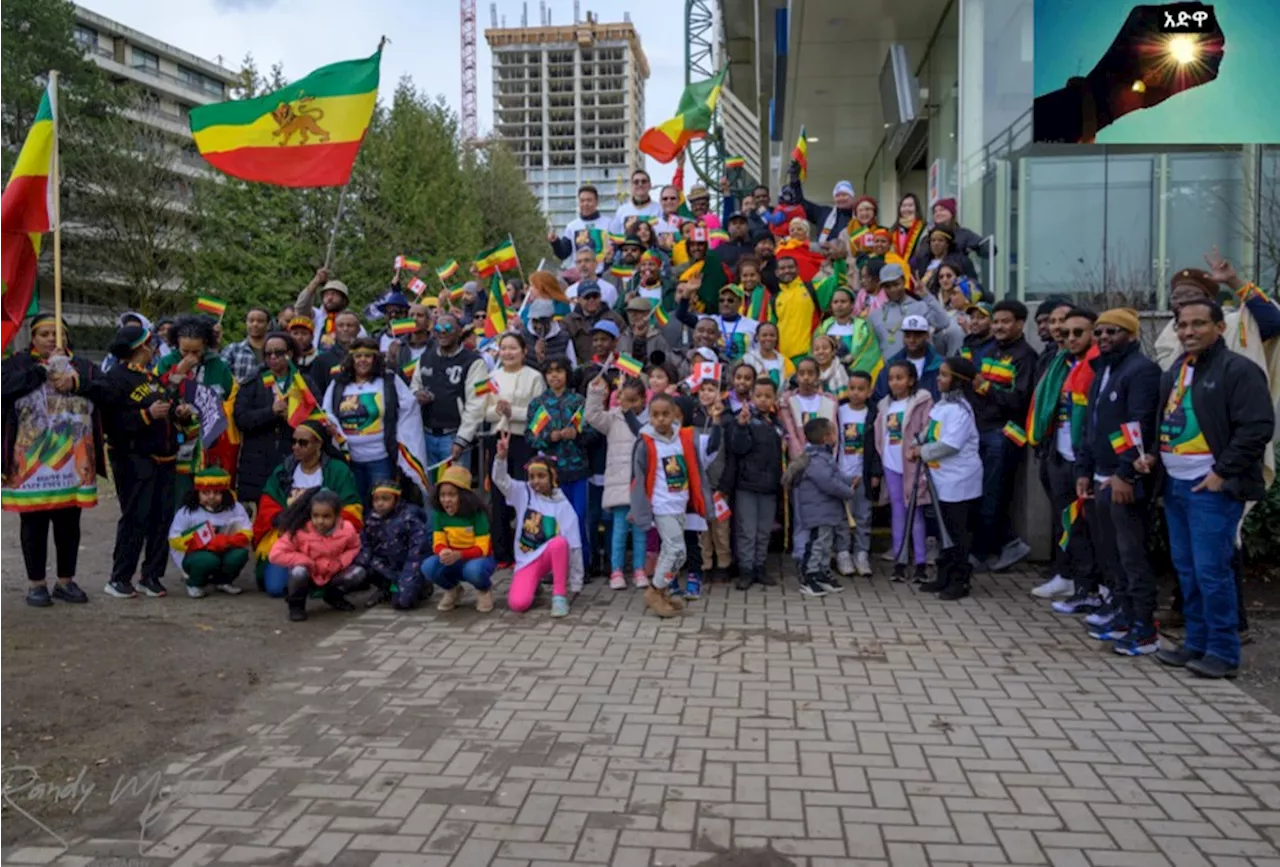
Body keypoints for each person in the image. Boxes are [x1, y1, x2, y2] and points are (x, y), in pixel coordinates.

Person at [1142, 300, 1274, 679]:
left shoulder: (1238, 370)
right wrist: (1153, 457)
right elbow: (1164, 422)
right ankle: (1196, 643)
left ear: (1219, 327)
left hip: (1211, 489)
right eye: (1183, 325)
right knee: (1187, 570)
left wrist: (1222, 472)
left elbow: (1257, 428)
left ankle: (1223, 651)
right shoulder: (1175, 370)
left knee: (1212, 572)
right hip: (1175, 486)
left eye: (1199, 324)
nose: (1189, 332)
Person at [1075, 308, 1162, 657]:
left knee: (1131, 555)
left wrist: (1126, 473)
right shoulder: (1103, 369)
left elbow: (1139, 426)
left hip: (1123, 480)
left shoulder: (1142, 371)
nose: (1105, 338)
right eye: (1100, 332)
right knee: (1111, 554)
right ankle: (1124, 616)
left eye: (1113, 331)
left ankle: (1144, 627)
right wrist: (1084, 469)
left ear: (1131, 335)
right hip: (1098, 475)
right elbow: (1090, 426)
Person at [2, 313, 105, 607]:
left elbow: (109, 391)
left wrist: (77, 382)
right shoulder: (18, 365)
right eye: (44, 334)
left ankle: (66, 581)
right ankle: (37, 584)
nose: (50, 339)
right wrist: (42, 371)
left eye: (55, 334)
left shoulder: (83, 367)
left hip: (73, 461)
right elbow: (3, 388)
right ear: (33, 338)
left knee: (68, 523)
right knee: (33, 523)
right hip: (31, 463)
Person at [457, 333, 547, 566]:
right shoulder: (490, 377)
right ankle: (501, 552)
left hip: (524, 441)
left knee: (526, 494)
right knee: (498, 496)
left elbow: (539, 413)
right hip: (497, 439)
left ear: (524, 351)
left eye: (513, 348)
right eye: (504, 348)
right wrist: (498, 411)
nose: (508, 353)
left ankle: (528, 547)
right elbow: (481, 411)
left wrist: (513, 412)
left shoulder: (535, 377)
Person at [1028, 308, 1099, 602]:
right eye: (1064, 331)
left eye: (1076, 332)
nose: (1068, 336)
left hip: (1086, 459)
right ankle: (1066, 576)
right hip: (1057, 451)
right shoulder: (1058, 362)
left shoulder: (1097, 366)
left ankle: (1091, 585)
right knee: (1063, 521)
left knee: (1087, 525)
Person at [252, 420, 363, 596]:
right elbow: (268, 501)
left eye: (303, 443)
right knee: (275, 589)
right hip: (291, 538)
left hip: (326, 541)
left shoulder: (338, 470)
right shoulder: (283, 471)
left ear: (319, 444)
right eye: (293, 441)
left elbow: (352, 509)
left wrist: (325, 525)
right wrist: (282, 519)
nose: (296, 447)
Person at [967, 300, 1038, 572]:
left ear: (1020, 324)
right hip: (983, 429)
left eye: (1005, 321)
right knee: (981, 492)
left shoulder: (1026, 356)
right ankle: (1008, 543)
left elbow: (1020, 400)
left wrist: (985, 388)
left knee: (992, 494)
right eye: (996, 321)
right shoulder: (991, 350)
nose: (998, 326)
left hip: (1006, 433)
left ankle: (981, 554)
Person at [628, 394, 712, 617]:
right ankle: (654, 591)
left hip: (680, 502)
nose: (661, 419)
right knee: (677, 550)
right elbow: (637, 476)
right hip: (661, 504)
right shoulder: (646, 442)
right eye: (655, 415)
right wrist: (638, 508)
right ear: (650, 416)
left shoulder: (683, 438)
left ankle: (662, 592)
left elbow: (700, 459)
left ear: (675, 414)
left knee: (673, 552)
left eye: (666, 414)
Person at [908, 356, 984, 600]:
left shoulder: (961, 410)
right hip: (941, 479)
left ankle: (960, 581)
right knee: (944, 532)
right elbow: (930, 431)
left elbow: (950, 444)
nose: (938, 378)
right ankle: (944, 575)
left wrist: (922, 451)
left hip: (959, 481)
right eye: (939, 373)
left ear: (958, 381)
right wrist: (917, 442)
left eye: (944, 375)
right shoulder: (941, 406)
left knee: (958, 533)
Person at [322, 337, 427, 504]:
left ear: (375, 359)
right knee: (355, 503)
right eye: (358, 356)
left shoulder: (389, 380)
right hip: (350, 459)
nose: (362, 360)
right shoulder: (338, 384)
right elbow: (327, 411)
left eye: (367, 356)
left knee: (382, 505)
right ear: (351, 359)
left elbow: (410, 407)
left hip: (381, 458)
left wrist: (401, 438)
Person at [492, 434, 584, 617]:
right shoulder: (523, 492)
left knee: (559, 543)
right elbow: (501, 481)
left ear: (552, 477)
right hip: (528, 560)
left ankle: (559, 596)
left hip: (552, 557)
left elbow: (574, 547)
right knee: (518, 604)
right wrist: (501, 458)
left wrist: (576, 583)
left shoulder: (563, 505)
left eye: (541, 476)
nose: (535, 481)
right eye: (532, 476)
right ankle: (534, 585)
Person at [156, 315, 240, 502]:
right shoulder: (166, 363)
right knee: (180, 495)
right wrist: (179, 371)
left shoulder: (218, 366)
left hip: (211, 443)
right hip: (177, 443)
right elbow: (159, 395)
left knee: (209, 494)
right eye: (185, 351)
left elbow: (230, 398)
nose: (191, 357)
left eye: (196, 351)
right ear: (176, 343)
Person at [525, 357, 595, 563]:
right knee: (552, 521)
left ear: (567, 374)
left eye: (559, 371)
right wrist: (549, 437)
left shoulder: (578, 401)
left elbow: (593, 433)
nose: (554, 375)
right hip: (550, 475)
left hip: (577, 469)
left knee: (578, 517)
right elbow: (530, 437)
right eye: (550, 372)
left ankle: (582, 564)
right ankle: (553, 563)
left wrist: (577, 435)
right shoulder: (538, 404)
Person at [233, 332, 315, 505]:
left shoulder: (303, 382)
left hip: (294, 457)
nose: (273, 357)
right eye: (268, 353)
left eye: (278, 352)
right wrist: (270, 412)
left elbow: (316, 418)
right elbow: (241, 419)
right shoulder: (253, 382)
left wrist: (294, 417)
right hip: (257, 462)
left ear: (290, 353)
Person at [586, 373, 648, 590]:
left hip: (641, 486)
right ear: (618, 398)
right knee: (619, 529)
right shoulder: (612, 418)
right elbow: (592, 416)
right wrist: (595, 392)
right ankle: (616, 570)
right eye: (625, 399)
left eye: (634, 400)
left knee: (641, 530)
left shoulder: (650, 421)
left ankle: (639, 569)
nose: (629, 405)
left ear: (644, 400)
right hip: (619, 484)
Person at [875, 360, 933, 581]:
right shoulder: (884, 406)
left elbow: (929, 426)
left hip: (912, 466)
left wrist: (918, 446)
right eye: (891, 378)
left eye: (900, 378)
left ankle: (920, 562)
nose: (894, 382)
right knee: (898, 513)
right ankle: (900, 561)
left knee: (915, 513)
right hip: (891, 466)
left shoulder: (921, 401)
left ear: (911, 380)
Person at [270, 488, 364, 622]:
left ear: (337, 516)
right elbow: (276, 554)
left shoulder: (347, 529)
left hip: (333, 572)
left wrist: (341, 562)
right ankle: (296, 605)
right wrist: (304, 560)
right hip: (309, 574)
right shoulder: (300, 530)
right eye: (316, 516)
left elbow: (355, 546)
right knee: (298, 572)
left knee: (358, 573)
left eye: (326, 516)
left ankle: (333, 596)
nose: (320, 521)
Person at [789, 417, 857, 597]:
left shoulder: (825, 456)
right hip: (817, 512)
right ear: (826, 437)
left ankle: (821, 572)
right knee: (817, 544)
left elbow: (836, 476)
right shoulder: (815, 459)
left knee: (826, 544)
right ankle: (809, 575)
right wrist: (848, 492)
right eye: (833, 432)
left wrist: (850, 481)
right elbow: (829, 483)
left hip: (827, 512)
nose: (837, 436)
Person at [729, 377, 784, 591]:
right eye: (758, 396)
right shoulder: (744, 419)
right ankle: (746, 569)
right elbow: (738, 447)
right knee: (747, 531)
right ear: (751, 397)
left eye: (767, 396)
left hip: (770, 485)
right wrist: (741, 427)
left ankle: (760, 567)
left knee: (764, 531)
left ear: (774, 398)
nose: (762, 400)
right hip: (747, 485)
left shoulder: (777, 423)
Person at [410, 314, 486, 467]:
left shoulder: (475, 362)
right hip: (425, 435)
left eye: (448, 328)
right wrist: (417, 394)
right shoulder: (425, 358)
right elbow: (413, 387)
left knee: (455, 488)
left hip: (454, 436)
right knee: (429, 489)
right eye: (438, 328)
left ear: (459, 331)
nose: (442, 332)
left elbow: (477, 405)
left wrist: (462, 439)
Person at [166, 467, 252, 598]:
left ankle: (223, 581)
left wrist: (226, 541)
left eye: (217, 493)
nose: (212, 497)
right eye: (206, 493)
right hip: (196, 555)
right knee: (207, 560)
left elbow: (247, 532)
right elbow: (174, 539)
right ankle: (194, 583)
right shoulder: (187, 511)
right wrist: (205, 543)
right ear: (197, 493)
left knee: (240, 554)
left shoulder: (235, 508)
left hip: (225, 549)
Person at [423, 465, 496, 611]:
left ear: (463, 496)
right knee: (428, 566)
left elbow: (483, 548)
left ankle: (484, 590)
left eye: (452, 495)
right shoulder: (438, 514)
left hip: (478, 559)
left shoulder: (477, 514)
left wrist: (460, 554)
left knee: (474, 570)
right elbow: (438, 541)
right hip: (452, 558)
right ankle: (453, 590)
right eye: (442, 495)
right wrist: (443, 551)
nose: (446, 500)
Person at [352, 478, 430, 610]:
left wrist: (406, 579)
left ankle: (421, 587)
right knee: (360, 566)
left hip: (407, 566)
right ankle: (386, 589)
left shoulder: (409, 519)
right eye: (376, 499)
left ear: (396, 500)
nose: (380, 503)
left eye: (385, 499)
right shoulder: (371, 519)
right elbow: (365, 546)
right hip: (384, 567)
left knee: (403, 603)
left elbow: (417, 553)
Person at [838, 370, 879, 577]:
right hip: (841, 474)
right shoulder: (839, 411)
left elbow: (878, 446)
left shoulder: (873, 414)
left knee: (863, 515)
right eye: (852, 388)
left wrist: (874, 473)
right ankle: (843, 552)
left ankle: (861, 553)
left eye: (861, 389)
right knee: (842, 516)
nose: (855, 393)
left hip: (863, 473)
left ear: (869, 391)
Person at [866, 263, 952, 361]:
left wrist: (926, 295)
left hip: (919, 369)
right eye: (887, 286)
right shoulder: (875, 315)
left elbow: (944, 322)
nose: (892, 289)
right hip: (890, 371)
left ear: (904, 281)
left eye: (896, 284)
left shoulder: (920, 306)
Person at [780, 358, 838, 460]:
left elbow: (832, 433)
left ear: (817, 376)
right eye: (802, 374)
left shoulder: (828, 401)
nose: (806, 377)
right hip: (799, 460)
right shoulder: (788, 402)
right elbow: (791, 433)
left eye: (810, 373)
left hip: (824, 459)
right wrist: (800, 459)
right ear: (797, 376)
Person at [295, 268, 367, 351]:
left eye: (334, 294)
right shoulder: (315, 316)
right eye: (326, 294)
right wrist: (316, 281)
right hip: (316, 361)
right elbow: (300, 307)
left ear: (344, 300)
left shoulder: (353, 326)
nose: (329, 298)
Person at [874, 315, 942, 401]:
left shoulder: (940, 365)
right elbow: (880, 397)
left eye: (917, 336)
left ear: (927, 336)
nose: (912, 340)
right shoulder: (891, 365)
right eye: (907, 336)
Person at [772, 254, 821, 365]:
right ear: (776, 273)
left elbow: (838, 280)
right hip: (783, 360)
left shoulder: (812, 288)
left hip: (809, 355)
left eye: (790, 267)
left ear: (798, 269)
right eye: (782, 268)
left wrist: (839, 261)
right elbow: (772, 329)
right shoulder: (774, 299)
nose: (787, 271)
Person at [549, 184, 610, 264]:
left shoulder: (609, 224)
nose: (585, 204)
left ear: (597, 202)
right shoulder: (572, 226)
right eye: (582, 201)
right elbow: (563, 254)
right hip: (578, 274)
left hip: (602, 274)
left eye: (589, 200)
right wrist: (555, 242)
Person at [565, 284, 626, 363]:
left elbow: (625, 344)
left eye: (595, 296)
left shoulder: (615, 317)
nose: (591, 300)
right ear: (578, 299)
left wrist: (625, 369)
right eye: (587, 297)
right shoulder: (569, 321)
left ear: (600, 297)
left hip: (617, 364)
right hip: (586, 368)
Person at [222, 307, 272, 384]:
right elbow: (221, 375)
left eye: (260, 321)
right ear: (246, 323)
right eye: (251, 320)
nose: (255, 324)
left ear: (268, 325)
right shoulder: (233, 350)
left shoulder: (274, 351)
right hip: (239, 394)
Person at [742, 322, 795, 391]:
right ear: (757, 337)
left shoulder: (785, 362)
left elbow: (790, 387)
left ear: (777, 338)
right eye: (764, 335)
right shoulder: (747, 359)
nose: (768, 338)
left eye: (772, 335)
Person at [610, 169, 663, 235]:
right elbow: (615, 235)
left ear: (650, 185)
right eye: (636, 182)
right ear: (631, 186)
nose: (640, 184)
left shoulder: (659, 209)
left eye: (643, 181)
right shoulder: (622, 210)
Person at [891, 194, 928, 263]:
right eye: (904, 206)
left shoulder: (925, 228)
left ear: (916, 208)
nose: (906, 209)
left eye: (910, 205)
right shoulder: (894, 229)